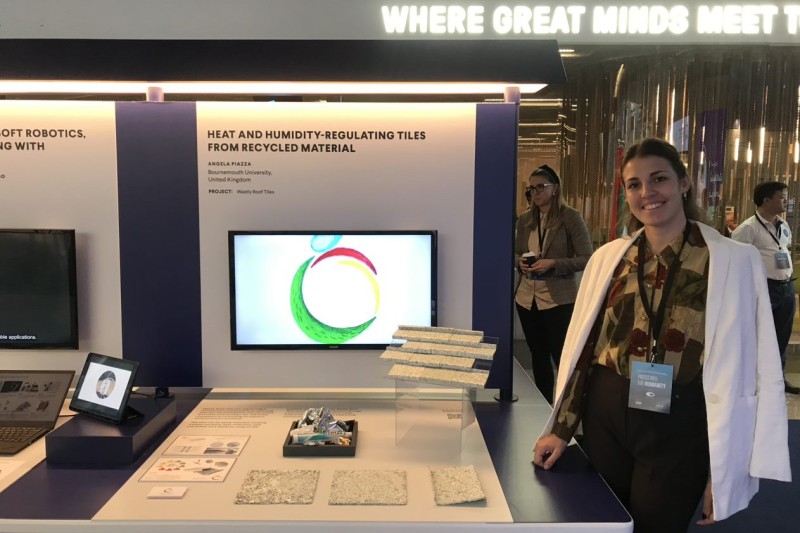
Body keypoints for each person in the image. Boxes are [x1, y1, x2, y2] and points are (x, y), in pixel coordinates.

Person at [532, 139, 790, 532]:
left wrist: (725, 471)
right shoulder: (610, 257)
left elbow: (750, 365)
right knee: (603, 522)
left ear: (684, 183)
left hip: (681, 417)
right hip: (607, 411)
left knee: (657, 525)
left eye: (659, 179)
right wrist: (560, 428)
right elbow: (585, 348)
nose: (646, 193)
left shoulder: (733, 262)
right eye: (634, 184)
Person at [514, 164, 592, 404]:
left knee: (562, 357)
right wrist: (521, 264)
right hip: (527, 298)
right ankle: (544, 405)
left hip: (558, 298)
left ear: (555, 189)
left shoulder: (570, 217)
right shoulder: (526, 219)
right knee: (538, 356)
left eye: (541, 187)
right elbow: (515, 254)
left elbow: (586, 257)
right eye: (531, 189)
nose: (535, 193)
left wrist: (553, 264)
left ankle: (565, 408)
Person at [731, 181, 800, 394]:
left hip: (786, 288)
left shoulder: (783, 225)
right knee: (758, 337)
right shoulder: (747, 229)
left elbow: (782, 251)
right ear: (766, 200)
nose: (785, 201)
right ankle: (752, 382)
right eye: (781, 197)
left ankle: (777, 381)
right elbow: (737, 262)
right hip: (764, 289)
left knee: (782, 336)